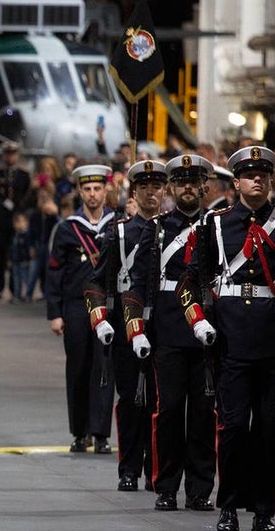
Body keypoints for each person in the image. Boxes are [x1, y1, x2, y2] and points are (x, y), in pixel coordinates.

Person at [177, 145, 275, 531]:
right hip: (231, 341)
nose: (258, 179)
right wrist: (198, 322)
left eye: (264, 174)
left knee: (269, 429)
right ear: (235, 181)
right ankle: (229, 507)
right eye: (250, 174)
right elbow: (190, 281)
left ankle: (263, 510)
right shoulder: (216, 225)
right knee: (234, 427)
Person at [122, 154, 218, 510]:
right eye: (181, 182)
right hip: (167, 330)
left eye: (194, 182)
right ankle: (165, 485)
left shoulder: (214, 225)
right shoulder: (158, 228)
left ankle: (199, 489)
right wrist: (137, 328)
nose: (188, 188)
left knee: (204, 414)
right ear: (172, 188)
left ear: (204, 187)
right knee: (169, 411)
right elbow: (138, 281)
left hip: (207, 330)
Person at [84, 160, 167, 491]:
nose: (151, 192)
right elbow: (97, 282)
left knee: (161, 404)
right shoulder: (119, 232)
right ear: (135, 192)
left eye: (157, 186)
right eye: (144, 187)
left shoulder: (172, 230)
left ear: (165, 191)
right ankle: (130, 468)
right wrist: (101, 319)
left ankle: (157, 469)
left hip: (163, 326)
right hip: (125, 327)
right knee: (132, 401)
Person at [46, 164, 115, 453]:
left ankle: (100, 433)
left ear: (105, 190)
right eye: (87, 189)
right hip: (76, 306)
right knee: (77, 367)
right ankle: (79, 432)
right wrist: (55, 313)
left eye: (97, 188)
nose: (92, 194)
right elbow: (54, 272)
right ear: (79, 191)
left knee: (104, 368)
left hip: (108, 306)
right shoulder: (66, 228)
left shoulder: (117, 224)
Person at [0, 141, 32, 299]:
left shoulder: (23, 175)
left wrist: (19, 207)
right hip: (1, 219)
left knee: (17, 255)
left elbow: (28, 196)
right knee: (0, 255)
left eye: (13, 154)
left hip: (17, 219)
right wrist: (0, 203)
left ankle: (15, 288)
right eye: (7, 154)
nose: (10, 157)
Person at [9, 211, 35, 303]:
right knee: (16, 280)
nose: (19, 224)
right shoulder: (15, 235)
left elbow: (29, 247)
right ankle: (17, 295)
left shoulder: (26, 235)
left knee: (26, 279)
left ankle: (28, 295)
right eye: (17, 222)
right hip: (16, 260)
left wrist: (30, 255)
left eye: (21, 222)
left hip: (24, 260)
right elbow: (12, 248)